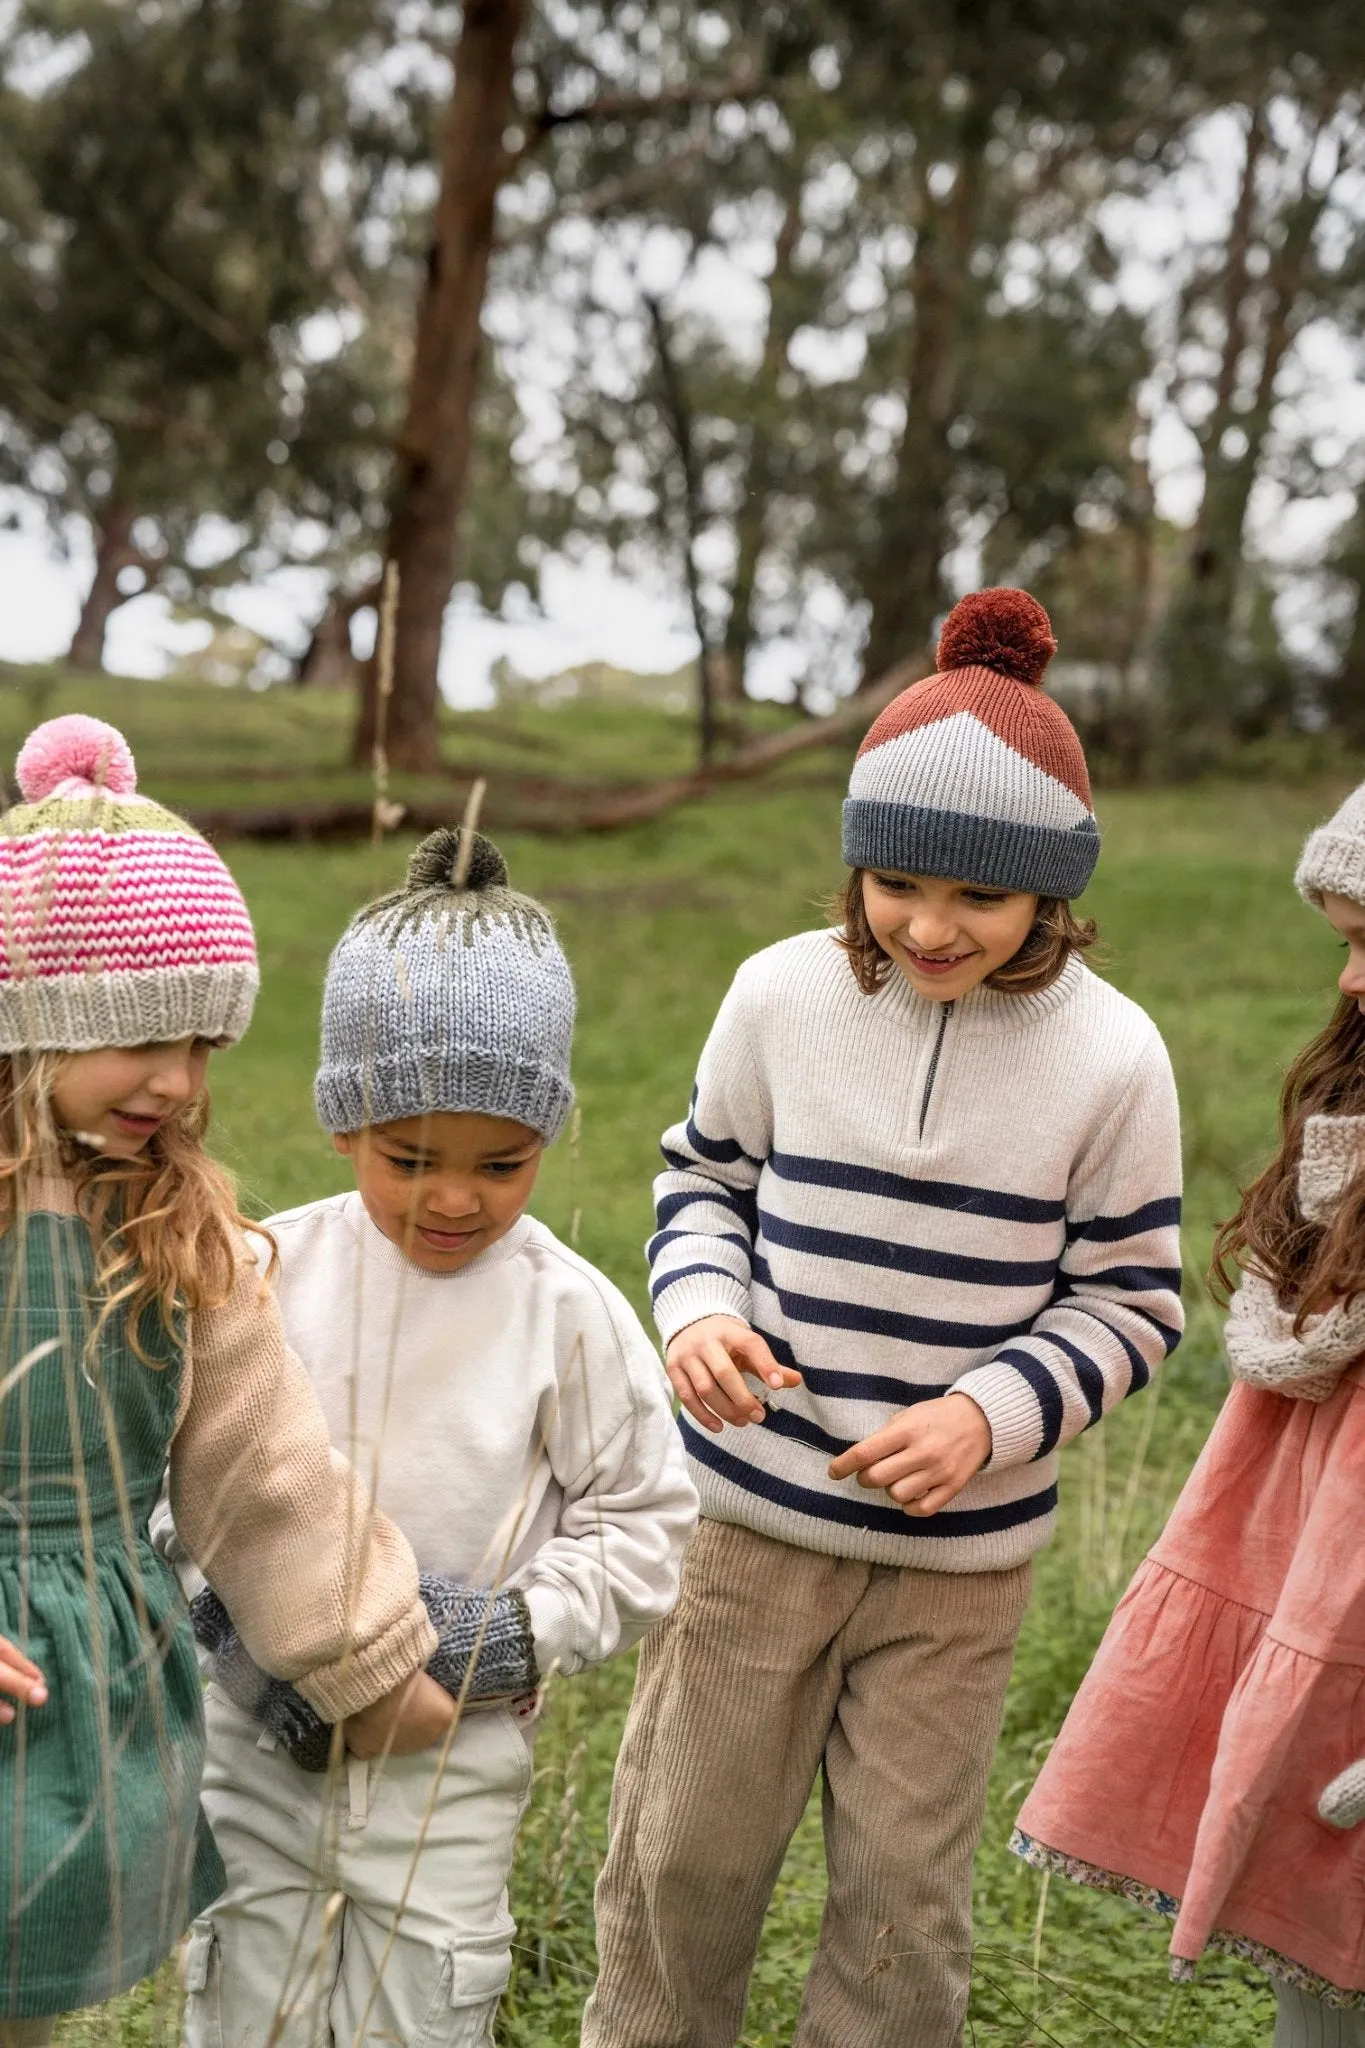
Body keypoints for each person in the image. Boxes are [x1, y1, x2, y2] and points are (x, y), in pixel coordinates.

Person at [582, 588, 1185, 2048]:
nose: (930, 925)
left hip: (956, 1572)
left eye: (979, 898)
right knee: (684, 1862)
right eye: (897, 883)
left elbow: (1132, 1300)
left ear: (1051, 893)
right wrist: (700, 1313)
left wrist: (991, 1415)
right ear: (855, 864)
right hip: (752, 1526)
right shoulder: (776, 1000)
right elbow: (701, 1184)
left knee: (904, 1906)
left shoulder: (1114, 1058)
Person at [161, 828, 697, 2048]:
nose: (455, 1197)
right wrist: (247, 1650)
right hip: (256, 1738)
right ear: (345, 1125)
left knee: (425, 2005)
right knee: (248, 1994)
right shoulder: (259, 1275)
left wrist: (500, 1636)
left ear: (548, 1138)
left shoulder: (570, 1312)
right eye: (411, 1159)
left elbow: (648, 1516)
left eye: (501, 1163)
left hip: (453, 1758)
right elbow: (176, 1485)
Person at [0, 715, 450, 2041]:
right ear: (31, 1020)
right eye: (146, 1036)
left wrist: (360, 1658)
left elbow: (263, 1469)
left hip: (82, 1686)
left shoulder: (177, 1237)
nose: (181, 1082)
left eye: (205, 1045)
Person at [1013, 779, 1365, 2046]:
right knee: (1316, 1959)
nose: (1349, 986)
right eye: (1343, 943)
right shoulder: (1352, 1154)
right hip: (1310, 1578)